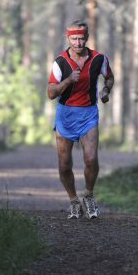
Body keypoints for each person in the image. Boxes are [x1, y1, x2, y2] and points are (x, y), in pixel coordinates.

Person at [47, 20, 115, 219]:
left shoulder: (98, 59)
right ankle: (74, 201)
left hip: (88, 114)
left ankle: (89, 195)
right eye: (74, 38)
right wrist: (68, 80)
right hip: (66, 115)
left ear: (87, 38)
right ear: (68, 38)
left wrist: (105, 89)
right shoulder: (60, 62)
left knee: (91, 159)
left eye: (81, 38)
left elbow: (109, 77)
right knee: (64, 165)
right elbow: (51, 93)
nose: (77, 42)